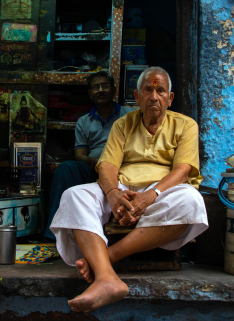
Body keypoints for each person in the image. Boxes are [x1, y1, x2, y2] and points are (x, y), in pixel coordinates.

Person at [50, 66, 208, 312]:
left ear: (170, 97)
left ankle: (107, 258)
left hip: (163, 193)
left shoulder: (185, 125)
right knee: (74, 195)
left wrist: (149, 196)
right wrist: (113, 194)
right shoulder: (123, 124)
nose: (154, 97)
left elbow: (183, 171)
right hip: (123, 189)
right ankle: (107, 279)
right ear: (137, 97)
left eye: (160, 91)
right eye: (147, 90)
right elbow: (107, 167)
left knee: (191, 201)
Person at [43, 71, 134, 239]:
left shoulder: (129, 115)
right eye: (96, 87)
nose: (101, 90)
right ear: (90, 93)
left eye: (105, 86)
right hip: (94, 168)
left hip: (122, 168)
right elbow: (80, 154)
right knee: (65, 168)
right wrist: (99, 163)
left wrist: (112, 164)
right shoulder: (84, 121)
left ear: (114, 90)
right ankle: (54, 235)